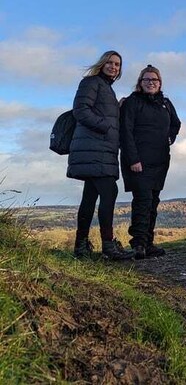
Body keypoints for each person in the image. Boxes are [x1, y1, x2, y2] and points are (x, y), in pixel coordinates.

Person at [68, 50, 134, 260]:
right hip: (94, 149)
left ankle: (81, 245)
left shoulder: (105, 88)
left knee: (89, 197)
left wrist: (117, 107)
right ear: (102, 63)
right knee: (109, 192)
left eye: (117, 65)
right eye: (110, 63)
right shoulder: (91, 83)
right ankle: (107, 245)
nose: (114, 67)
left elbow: (100, 109)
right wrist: (105, 126)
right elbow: (80, 110)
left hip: (101, 151)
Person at [120, 65, 181, 259]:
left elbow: (176, 124)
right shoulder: (132, 102)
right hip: (138, 161)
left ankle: (149, 242)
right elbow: (125, 131)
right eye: (146, 80)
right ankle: (138, 244)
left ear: (160, 83)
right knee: (143, 201)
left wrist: (170, 138)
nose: (151, 83)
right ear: (140, 83)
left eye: (154, 80)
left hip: (160, 160)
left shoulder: (166, 103)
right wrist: (133, 159)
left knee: (153, 201)